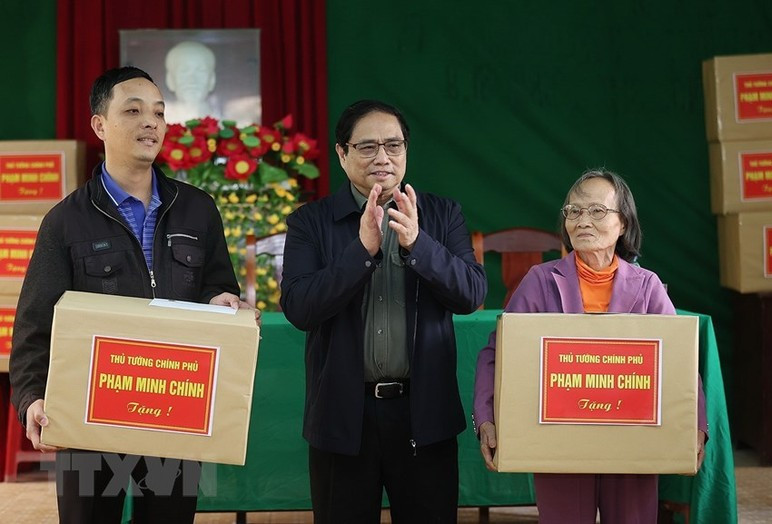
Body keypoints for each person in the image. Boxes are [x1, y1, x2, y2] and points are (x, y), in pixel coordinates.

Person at [9, 66, 256, 524]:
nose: (151, 122)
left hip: (174, 412)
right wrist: (31, 398)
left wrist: (222, 302)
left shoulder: (198, 209)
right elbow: (33, 325)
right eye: (134, 111)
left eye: (159, 113)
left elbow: (218, 286)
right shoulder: (65, 222)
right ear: (99, 125)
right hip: (89, 420)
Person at [280, 99, 487, 523]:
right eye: (367, 147)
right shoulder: (310, 222)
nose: (383, 157)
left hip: (423, 415)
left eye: (394, 145)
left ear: (406, 151)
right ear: (342, 153)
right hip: (343, 417)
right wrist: (361, 250)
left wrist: (419, 244)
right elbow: (299, 307)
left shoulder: (441, 215)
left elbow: (470, 293)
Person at [473, 169, 708, 523]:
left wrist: (696, 424)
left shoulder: (647, 286)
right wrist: (486, 417)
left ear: (623, 223)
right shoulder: (539, 281)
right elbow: (498, 353)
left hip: (633, 441)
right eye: (574, 211)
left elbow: (679, 362)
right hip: (558, 440)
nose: (583, 220)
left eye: (597, 211)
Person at [164, 41, 218, 123]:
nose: (192, 80)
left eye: (200, 71)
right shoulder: (156, 126)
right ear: (170, 79)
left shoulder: (227, 124)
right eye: (184, 71)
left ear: (212, 80)